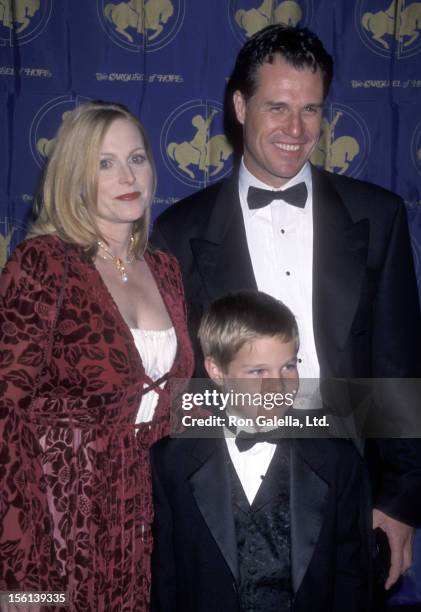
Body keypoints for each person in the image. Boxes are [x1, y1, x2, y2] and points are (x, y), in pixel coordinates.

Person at [151, 24, 421, 591]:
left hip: (348, 485)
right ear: (240, 104)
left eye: (312, 110)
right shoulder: (179, 230)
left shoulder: (380, 216)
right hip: (226, 490)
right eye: (277, 107)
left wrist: (399, 503)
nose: (297, 130)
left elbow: (399, 368)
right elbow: (180, 381)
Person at [0, 101, 193, 610]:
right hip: (62, 518)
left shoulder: (166, 269)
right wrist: (17, 572)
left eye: (136, 157)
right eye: (104, 163)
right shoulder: (43, 263)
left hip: (147, 517)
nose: (127, 175)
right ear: (75, 176)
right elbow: (6, 414)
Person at [150, 290, 370, 612]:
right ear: (216, 371)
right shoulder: (172, 462)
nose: (278, 387)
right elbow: (167, 582)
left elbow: (351, 579)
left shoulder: (338, 460)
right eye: (258, 372)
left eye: (288, 367)